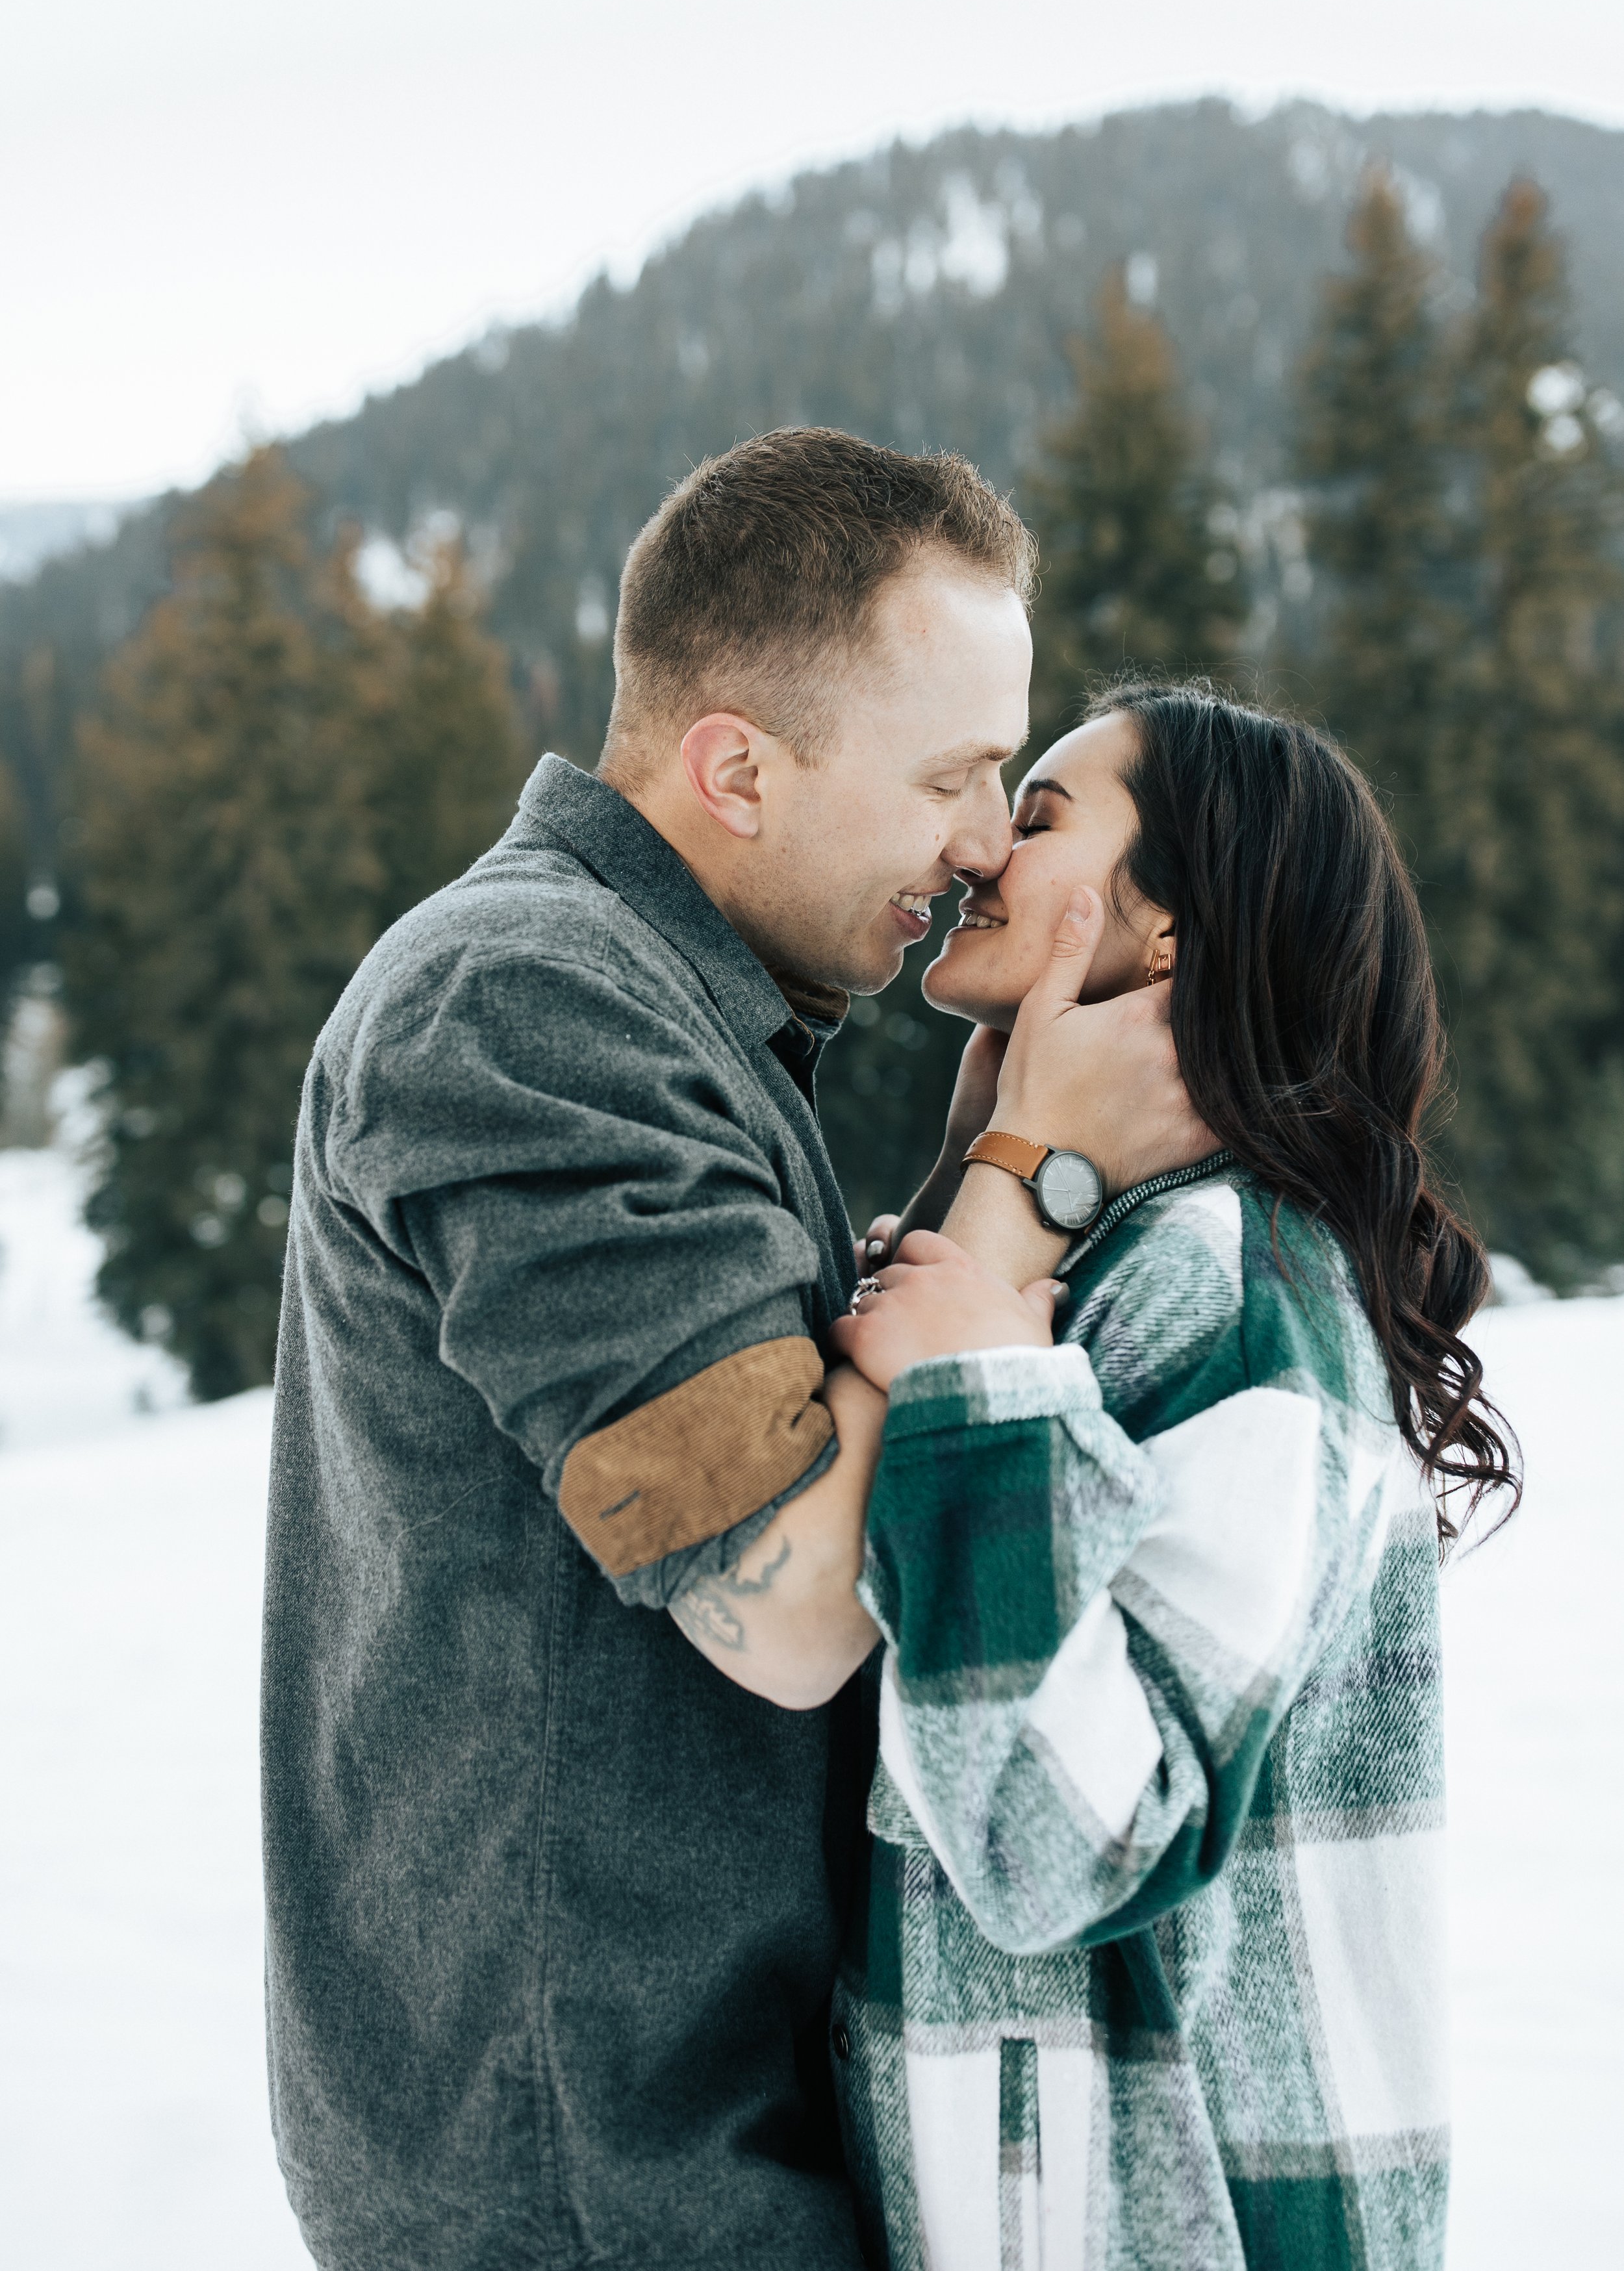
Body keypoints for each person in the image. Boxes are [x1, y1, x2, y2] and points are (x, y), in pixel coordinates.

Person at [260, 432, 1207, 2270]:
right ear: (735, 767)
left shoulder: (678, 1005)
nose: (982, 835)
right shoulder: (529, 1001)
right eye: (949, 772)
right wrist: (1034, 1165)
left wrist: (964, 1153)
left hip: (671, 2132)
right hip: (588, 2173)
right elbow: (780, 1605)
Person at [820, 684, 1520, 2271]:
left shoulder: (1230, 1284)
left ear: (1167, 941)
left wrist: (970, 1390)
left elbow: (1065, 1837)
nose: (985, 844)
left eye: (1046, 814)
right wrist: (984, 1179)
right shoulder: (1125, 1255)